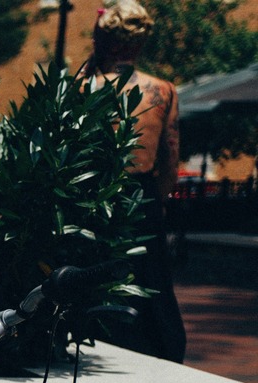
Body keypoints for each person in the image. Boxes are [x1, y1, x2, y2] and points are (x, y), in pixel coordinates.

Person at [80, 0, 186, 362]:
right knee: (151, 282)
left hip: (93, 193)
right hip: (141, 198)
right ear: (139, 43)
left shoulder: (82, 87)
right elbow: (170, 156)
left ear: (103, 38)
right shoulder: (163, 90)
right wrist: (158, 201)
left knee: (92, 277)